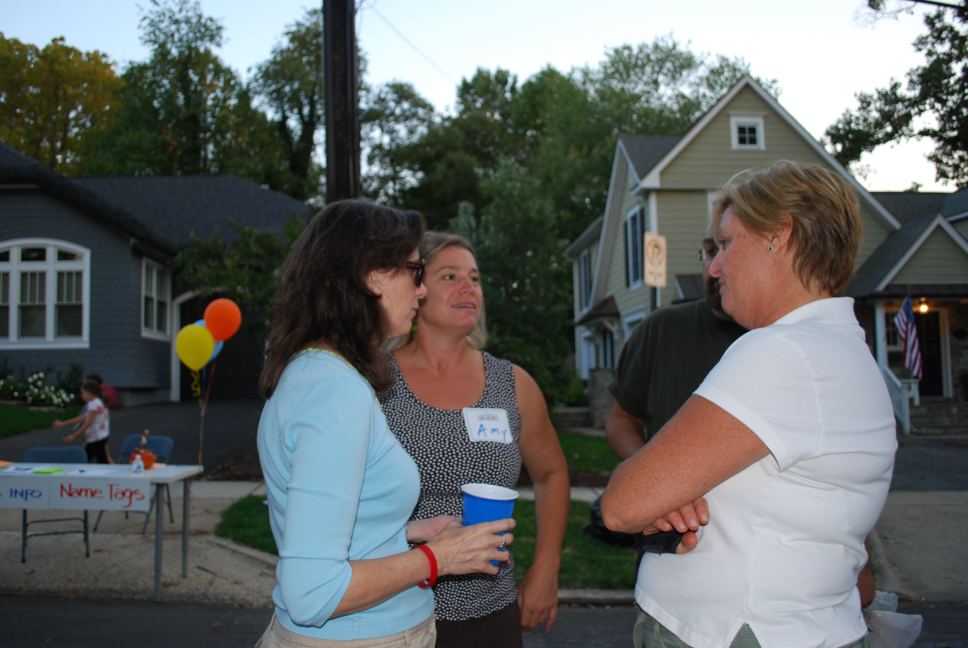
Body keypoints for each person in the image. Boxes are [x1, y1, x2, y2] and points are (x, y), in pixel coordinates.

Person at [601, 161, 897, 648]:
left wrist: (659, 494)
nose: (714, 267)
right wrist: (671, 492)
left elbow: (621, 505)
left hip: (731, 633)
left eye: (726, 243)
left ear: (778, 236)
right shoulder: (845, 349)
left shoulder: (782, 352)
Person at [255, 201, 515, 648]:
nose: (420, 290)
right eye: (415, 271)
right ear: (372, 276)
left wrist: (408, 532)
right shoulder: (337, 393)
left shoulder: (316, 373)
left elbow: (328, 524)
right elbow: (312, 592)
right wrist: (438, 557)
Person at [378, 231, 570, 648]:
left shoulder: (512, 384)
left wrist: (546, 568)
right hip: (393, 610)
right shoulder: (375, 383)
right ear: (416, 289)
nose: (469, 287)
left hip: (491, 612)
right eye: (450, 276)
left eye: (475, 278)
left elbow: (552, 473)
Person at [54, 379, 111, 463]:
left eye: (83, 393)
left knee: (100, 461)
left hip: (97, 438)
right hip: (96, 437)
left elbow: (88, 422)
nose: (82, 396)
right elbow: (83, 418)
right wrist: (64, 423)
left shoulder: (93, 404)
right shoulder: (98, 402)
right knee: (87, 459)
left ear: (89, 392)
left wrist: (74, 436)